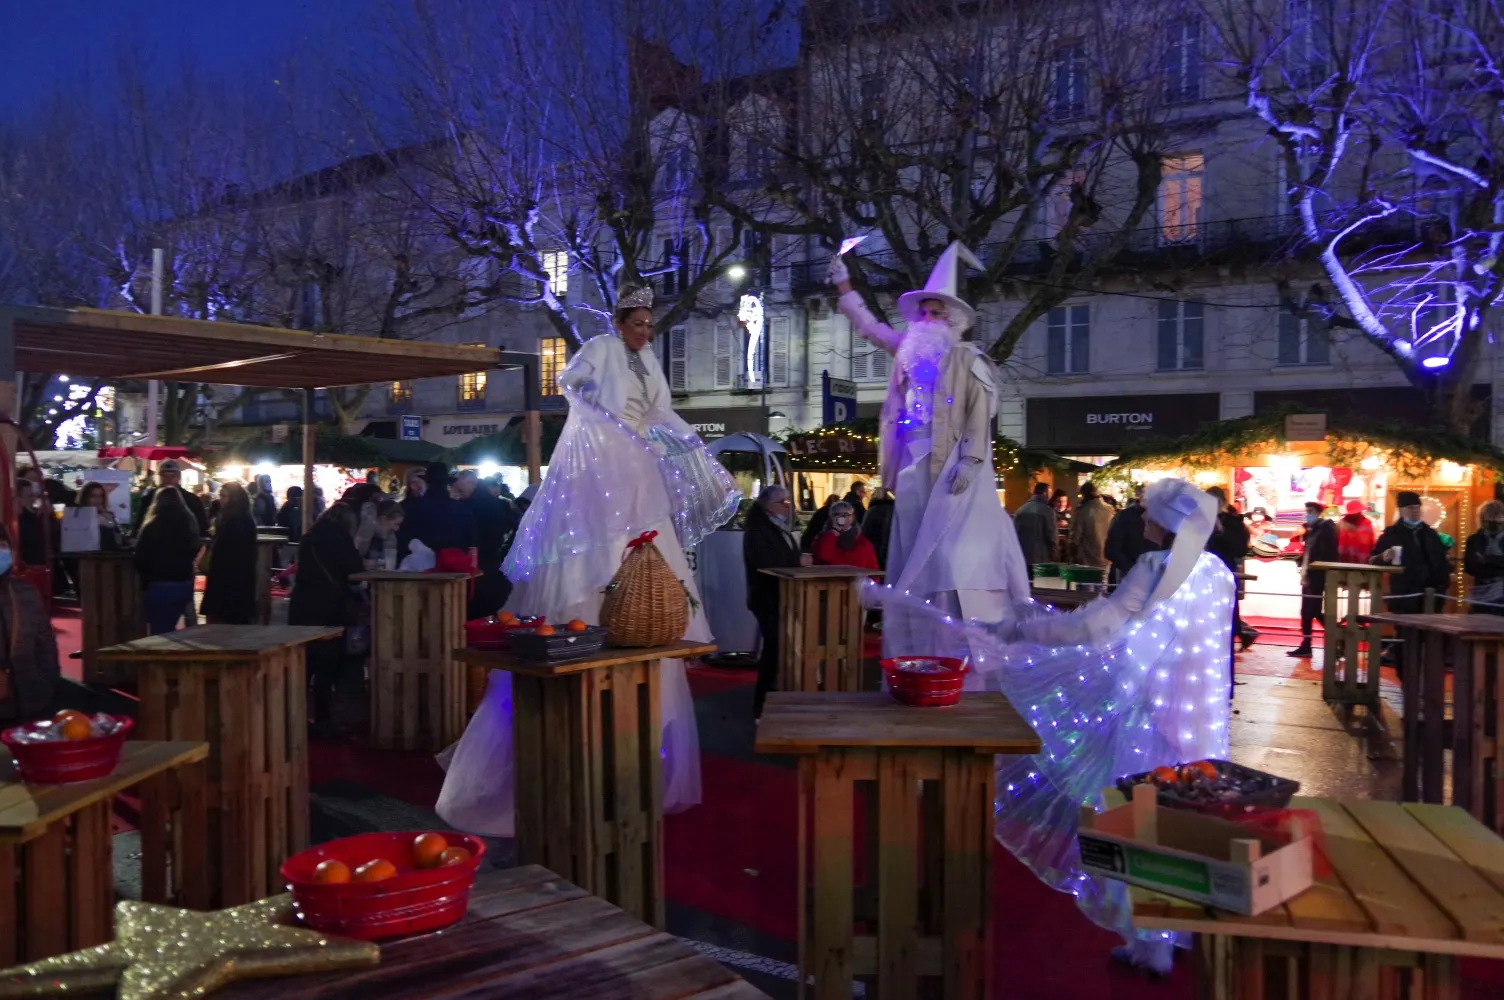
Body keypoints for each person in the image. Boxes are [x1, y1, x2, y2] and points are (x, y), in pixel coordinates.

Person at [865, 477, 1233, 975]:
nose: (1142, 517)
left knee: (1131, 819)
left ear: (1166, 522)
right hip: (1192, 718)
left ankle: (1151, 943)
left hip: (1143, 712)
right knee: (1179, 818)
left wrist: (1024, 630)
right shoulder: (1216, 571)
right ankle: (1178, 929)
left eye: (1149, 511)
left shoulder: (1155, 567)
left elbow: (1095, 626)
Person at [438, 286, 739, 834]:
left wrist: (695, 447)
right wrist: (598, 422)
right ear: (620, 321)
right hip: (601, 464)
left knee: (647, 551)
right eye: (638, 322)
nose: (645, 331)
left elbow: (662, 411)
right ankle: (573, 689)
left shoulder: (650, 363)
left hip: (641, 468)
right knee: (591, 555)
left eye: (650, 324)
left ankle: (634, 745)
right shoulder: (600, 348)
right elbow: (569, 384)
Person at [831, 241, 1030, 656]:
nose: (926, 319)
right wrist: (845, 288)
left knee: (952, 555)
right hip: (912, 465)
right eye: (923, 312)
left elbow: (979, 414)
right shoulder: (906, 351)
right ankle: (917, 642)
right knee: (913, 551)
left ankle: (961, 644)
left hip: (952, 465)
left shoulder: (968, 359)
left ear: (952, 320)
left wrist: (971, 460)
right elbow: (869, 327)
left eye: (936, 312)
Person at [288, 503, 365, 727]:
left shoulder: (310, 537)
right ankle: (322, 718)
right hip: (328, 607)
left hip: (302, 605)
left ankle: (295, 716)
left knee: (304, 664)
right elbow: (355, 569)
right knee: (326, 664)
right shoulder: (341, 538)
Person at [743, 485, 809, 717]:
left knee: (779, 647)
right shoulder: (757, 530)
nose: (787, 507)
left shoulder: (775, 526)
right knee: (774, 647)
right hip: (767, 597)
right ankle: (761, 704)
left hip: (781, 596)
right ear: (769, 506)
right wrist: (797, 562)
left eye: (788, 502)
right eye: (783, 502)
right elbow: (765, 561)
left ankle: (776, 695)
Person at [0, 531, 61, 722]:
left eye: (2, 545)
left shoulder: (25, 592)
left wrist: (48, 682)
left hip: (31, 700)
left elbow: (45, 641)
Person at [1370, 491, 1452, 615]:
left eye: (1418, 507)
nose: (1415, 511)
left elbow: (1441, 562)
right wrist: (1383, 557)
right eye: (1411, 508)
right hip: (1403, 594)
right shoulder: (1391, 534)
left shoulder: (1430, 534)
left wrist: (1443, 585)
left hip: (1431, 594)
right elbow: (1371, 560)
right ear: (1401, 510)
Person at [133, 488, 202, 634]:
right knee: (182, 622)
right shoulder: (189, 523)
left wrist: (145, 579)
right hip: (184, 580)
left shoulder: (152, 525)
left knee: (161, 630)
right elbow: (195, 546)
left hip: (160, 582)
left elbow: (141, 555)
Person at [454, 469, 519, 618]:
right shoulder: (491, 502)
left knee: (479, 595)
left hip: (481, 557)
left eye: (461, 488)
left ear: (470, 483)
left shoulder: (476, 505)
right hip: (489, 557)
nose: (459, 493)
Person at [200, 481, 259, 625]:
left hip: (228, 578)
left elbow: (229, 550)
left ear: (234, 499)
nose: (220, 500)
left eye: (224, 496)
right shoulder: (241, 518)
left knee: (224, 620)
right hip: (236, 578)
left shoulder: (234, 520)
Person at [1205, 486, 1256, 651]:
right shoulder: (1199, 521)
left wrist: (1221, 531)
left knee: (1227, 618)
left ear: (1221, 503)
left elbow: (1240, 549)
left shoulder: (1232, 522)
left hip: (1223, 575)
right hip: (1202, 576)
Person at [1289, 501, 1339, 658]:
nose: (1308, 514)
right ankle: (1308, 644)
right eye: (1307, 511)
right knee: (1308, 611)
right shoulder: (1312, 529)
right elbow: (1310, 550)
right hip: (1309, 573)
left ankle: (1336, 638)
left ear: (1318, 512)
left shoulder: (1325, 528)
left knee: (1312, 610)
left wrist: (1317, 566)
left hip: (1317, 575)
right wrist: (1302, 559)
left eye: (1311, 511)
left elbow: (1329, 552)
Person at [399, 463, 477, 556]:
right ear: (446, 483)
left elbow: (403, 540)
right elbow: (470, 541)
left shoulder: (411, 508)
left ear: (427, 482)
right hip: (452, 561)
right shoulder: (461, 509)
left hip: (419, 561)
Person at [141, 460, 210, 537]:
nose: (169, 479)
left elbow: (202, 526)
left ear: (179, 477)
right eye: (165, 476)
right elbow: (141, 523)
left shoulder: (192, 500)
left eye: (173, 476)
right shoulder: (149, 498)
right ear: (160, 477)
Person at [812, 500, 881, 570]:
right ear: (831, 517)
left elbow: (873, 568)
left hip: (857, 577)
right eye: (836, 514)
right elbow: (824, 557)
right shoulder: (823, 538)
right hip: (831, 577)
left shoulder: (862, 542)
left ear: (853, 518)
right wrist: (834, 531)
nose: (842, 518)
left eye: (847, 514)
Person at [1104, 486, 1151, 584]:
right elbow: (1111, 550)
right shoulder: (1125, 516)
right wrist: (1131, 568)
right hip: (1127, 576)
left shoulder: (1160, 519)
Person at [1465, 500, 1504, 615]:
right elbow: (1470, 567)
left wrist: (1486, 560)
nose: (1493, 525)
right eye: (1489, 521)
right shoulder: (1474, 539)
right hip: (1481, 591)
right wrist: (1497, 562)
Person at [1013, 483, 1057, 577]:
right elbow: (1051, 536)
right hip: (1040, 559)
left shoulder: (1020, 510)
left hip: (1022, 557)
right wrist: (1055, 554)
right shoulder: (1047, 511)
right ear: (1045, 493)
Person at [1069, 482, 1113, 570]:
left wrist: (1071, 554)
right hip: (1106, 558)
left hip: (1087, 559)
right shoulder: (1110, 509)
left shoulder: (1082, 511)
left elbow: (1075, 537)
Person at [73, 481, 125, 551]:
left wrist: (107, 517)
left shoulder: (108, 515)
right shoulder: (77, 516)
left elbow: (118, 539)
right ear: (85, 498)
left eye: (101, 496)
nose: (97, 500)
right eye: (93, 496)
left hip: (108, 554)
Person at [861, 486, 896, 570]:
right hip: (892, 550)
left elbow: (864, 532)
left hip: (874, 550)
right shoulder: (895, 511)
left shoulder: (871, 511)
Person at [1336, 499, 1375, 564]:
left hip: (1353, 560)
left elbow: (1371, 542)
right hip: (1350, 560)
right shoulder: (1341, 523)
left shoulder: (1366, 523)